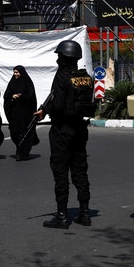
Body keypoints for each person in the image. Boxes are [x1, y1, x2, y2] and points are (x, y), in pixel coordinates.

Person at [34, 40, 91, 229]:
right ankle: (84, 213)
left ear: (65, 58)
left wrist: (46, 112)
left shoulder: (61, 76)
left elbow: (58, 104)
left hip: (62, 131)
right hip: (80, 130)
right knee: (80, 172)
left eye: (59, 56)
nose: (58, 59)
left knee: (60, 172)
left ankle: (62, 216)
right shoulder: (85, 77)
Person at [3, 65, 39, 161]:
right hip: (15, 113)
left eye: (17, 72)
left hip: (26, 113)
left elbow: (31, 97)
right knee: (14, 132)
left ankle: (22, 152)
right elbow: (6, 96)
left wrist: (22, 97)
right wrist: (12, 97)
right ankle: (20, 150)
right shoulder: (12, 83)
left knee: (26, 133)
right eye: (14, 72)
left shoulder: (27, 83)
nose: (15, 74)